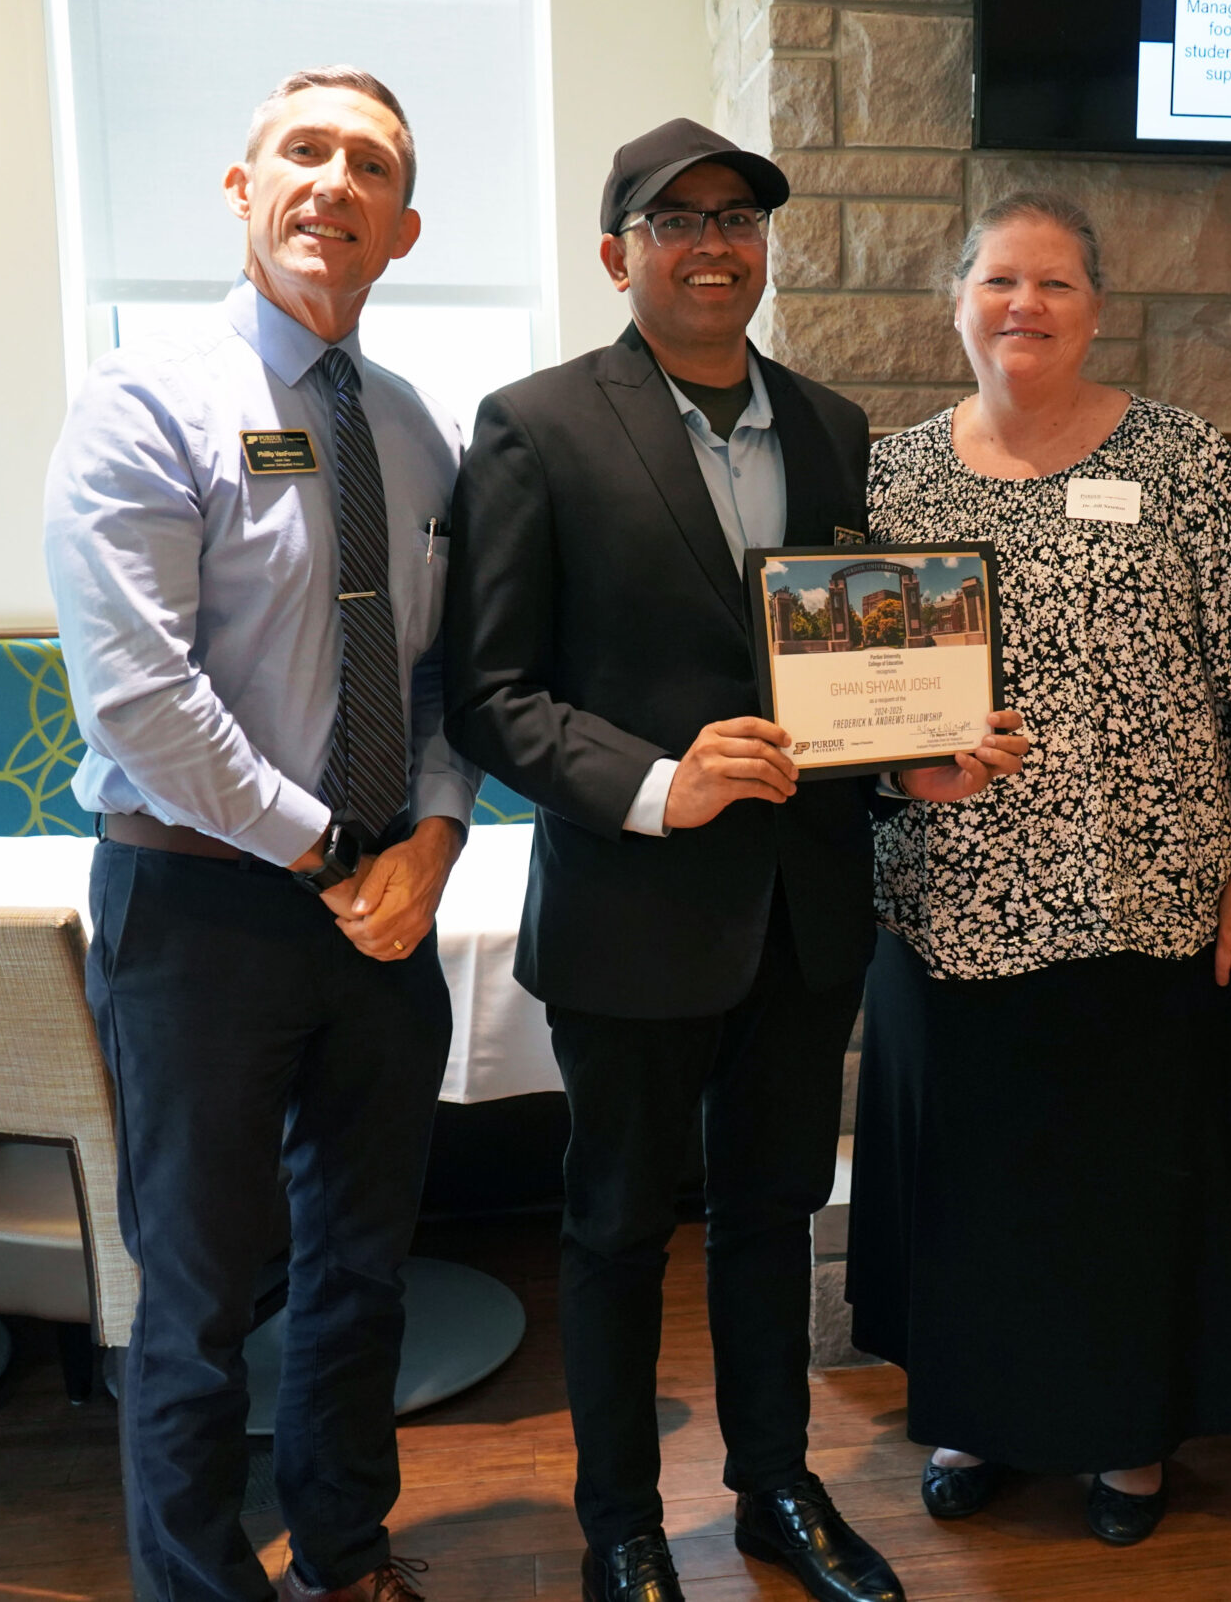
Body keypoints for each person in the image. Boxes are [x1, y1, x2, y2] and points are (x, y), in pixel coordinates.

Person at [442, 120, 1026, 1602]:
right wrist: (653, 786)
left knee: (771, 1219)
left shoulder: (835, 430)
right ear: (615, 254)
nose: (715, 243)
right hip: (633, 908)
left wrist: (915, 756)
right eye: (676, 218)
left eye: (740, 219)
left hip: (806, 912)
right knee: (616, 1227)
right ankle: (622, 1528)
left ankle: (776, 1488)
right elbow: (491, 695)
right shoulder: (535, 425)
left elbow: (845, 667)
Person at [44, 67, 473, 1602]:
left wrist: (431, 838)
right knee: (202, 1298)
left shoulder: (421, 437)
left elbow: (440, 682)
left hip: (382, 918)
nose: (335, 182)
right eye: (305, 151)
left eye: (371, 165)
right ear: (243, 190)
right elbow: (141, 707)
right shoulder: (143, 403)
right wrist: (328, 855)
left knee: (364, 1277)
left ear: (403, 228)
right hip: (202, 918)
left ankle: (345, 1558)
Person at [844, 193, 1231, 1547]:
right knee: (980, 1189)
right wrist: (898, 767)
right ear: (957, 303)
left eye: (1056, 283)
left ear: (1098, 309)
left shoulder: (1184, 462)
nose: (1025, 306)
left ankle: (1128, 1443)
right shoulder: (889, 481)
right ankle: (975, 1416)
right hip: (954, 912)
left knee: (1124, 1192)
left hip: (1151, 907)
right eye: (1000, 280)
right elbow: (841, 700)